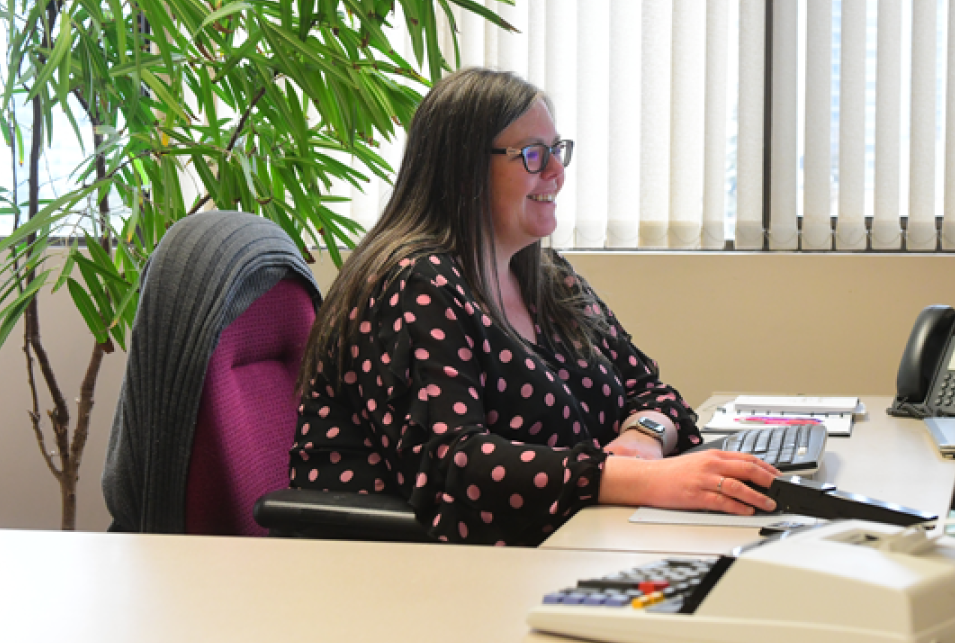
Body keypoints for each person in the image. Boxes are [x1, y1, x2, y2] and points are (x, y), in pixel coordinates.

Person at [291, 67, 778, 545]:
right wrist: (636, 480)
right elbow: (454, 463)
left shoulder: (545, 274)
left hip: (568, 542)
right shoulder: (415, 284)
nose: (557, 173)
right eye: (532, 154)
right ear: (463, 171)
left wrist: (643, 439)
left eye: (557, 151)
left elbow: (650, 390)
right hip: (421, 577)